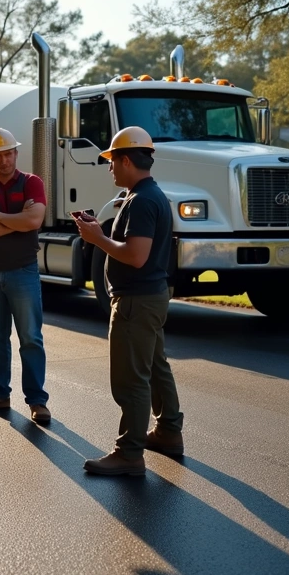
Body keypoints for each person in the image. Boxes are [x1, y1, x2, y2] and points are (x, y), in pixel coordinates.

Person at [73, 126, 183, 476]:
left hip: (136, 301)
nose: (109, 169)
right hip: (150, 297)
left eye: (111, 161)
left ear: (125, 159)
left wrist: (97, 237)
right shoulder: (150, 195)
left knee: (130, 378)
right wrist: (101, 233)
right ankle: (168, 432)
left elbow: (135, 256)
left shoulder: (142, 201)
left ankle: (129, 453)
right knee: (154, 367)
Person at [0, 127, 51, 425]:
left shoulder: (32, 183)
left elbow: (34, 219)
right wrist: (16, 220)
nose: (4, 160)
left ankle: (37, 402)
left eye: (8, 153)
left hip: (23, 271)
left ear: (16, 153)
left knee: (31, 338)